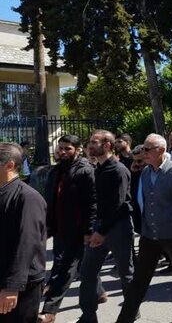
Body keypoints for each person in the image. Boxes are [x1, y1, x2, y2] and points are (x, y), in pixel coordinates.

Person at [117, 134, 172, 323]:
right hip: (149, 234)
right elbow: (142, 202)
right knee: (140, 278)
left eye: (147, 149)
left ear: (161, 150)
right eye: (143, 149)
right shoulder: (145, 173)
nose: (143, 153)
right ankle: (126, 317)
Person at [38, 136, 103, 323]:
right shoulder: (56, 170)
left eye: (67, 148)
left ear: (77, 149)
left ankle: (49, 310)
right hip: (60, 228)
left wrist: (89, 230)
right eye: (60, 148)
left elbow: (92, 203)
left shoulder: (85, 171)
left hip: (79, 230)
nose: (62, 152)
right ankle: (99, 292)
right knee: (84, 266)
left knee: (65, 269)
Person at [78, 130, 134, 323]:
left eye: (94, 142)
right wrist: (89, 230)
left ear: (107, 145)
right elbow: (95, 203)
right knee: (87, 272)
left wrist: (101, 232)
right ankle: (88, 316)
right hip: (99, 227)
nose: (90, 146)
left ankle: (129, 314)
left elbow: (118, 206)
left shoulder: (118, 170)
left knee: (126, 274)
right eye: (90, 142)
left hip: (118, 227)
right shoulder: (98, 169)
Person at [0, 142, 47, 323]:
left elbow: (26, 244)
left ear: (9, 165)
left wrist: (12, 287)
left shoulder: (27, 198)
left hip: (21, 285)